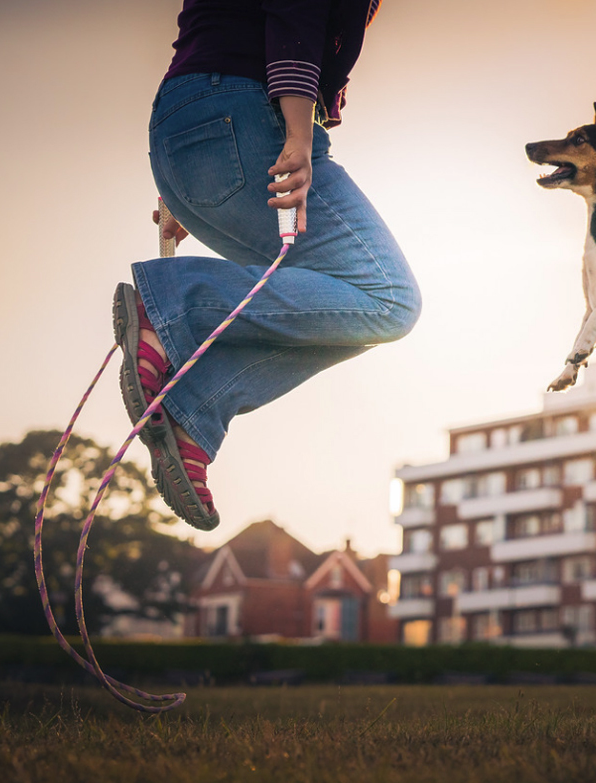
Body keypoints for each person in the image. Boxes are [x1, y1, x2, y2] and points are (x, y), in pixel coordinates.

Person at [113, 0, 421, 531]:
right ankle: (175, 308)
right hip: (244, 115)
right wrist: (299, 137)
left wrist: (190, 189)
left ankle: (195, 412)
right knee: (387, 297)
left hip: (189, 130)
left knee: (341, 310)